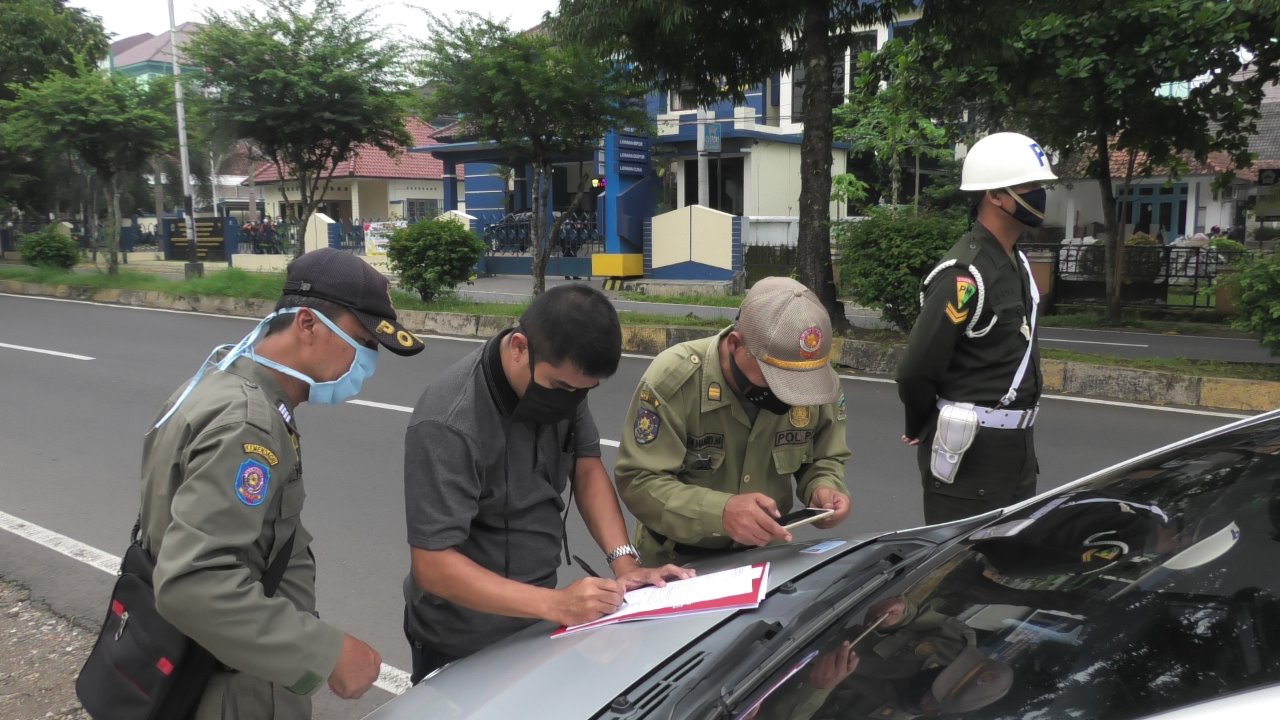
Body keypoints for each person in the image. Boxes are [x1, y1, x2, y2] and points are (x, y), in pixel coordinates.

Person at [139, 248, 426, 719]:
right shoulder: (246, 424)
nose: (367, 362)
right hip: (230, 686)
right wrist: (326, 653)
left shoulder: (221, 383)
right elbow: (194, 582)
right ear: (308, 325)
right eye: (361, 341)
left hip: (216, 660)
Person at [401, 284, 691, 683]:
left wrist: (625, 562)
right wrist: (557, 605)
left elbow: (586, 467)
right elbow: (433, 566)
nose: (570, 401)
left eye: (583, 392)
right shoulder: (449, 422)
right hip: (460, 639)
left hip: (537, 621)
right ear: (520, 347)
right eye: (562, 388)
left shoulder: (562, 384)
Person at [615, 276, 852, 567]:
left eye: (800, 381)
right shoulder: (675, 379)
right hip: (678, 563)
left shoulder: (815, 382)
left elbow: (824, 456)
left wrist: (823, 487)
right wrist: (720, 512)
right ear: (735, 344)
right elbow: (638, 481)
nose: (791, 394)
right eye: (776, 378)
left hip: (767, 557)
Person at [896, 131, 1057, 525]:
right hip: (968, 459)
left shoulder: (1015, 262)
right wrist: (921, 423)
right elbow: (916, 369)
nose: (1039, 195)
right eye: (1029, 186)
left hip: (1016, 454)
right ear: (996, 196)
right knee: (957, 578)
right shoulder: (964, 276)